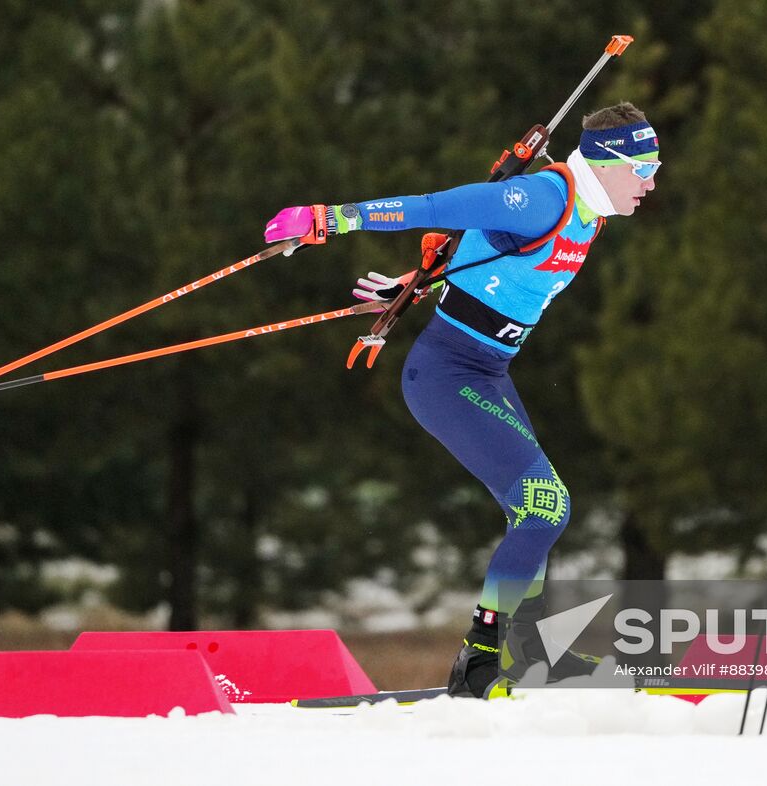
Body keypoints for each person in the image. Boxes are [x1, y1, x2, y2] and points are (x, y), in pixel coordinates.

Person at [264, 102, 659, 698]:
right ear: (606, 161)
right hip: (448, 376)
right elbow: (438, 206)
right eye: (644, 165)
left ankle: (528, 650)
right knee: (547, 507)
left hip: (488, 371)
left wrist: (420, 278)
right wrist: (331, 218)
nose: (652, 181)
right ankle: (479, 660)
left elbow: (488, 250)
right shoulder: (545, 199)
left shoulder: (589, 211)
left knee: (537, 512)